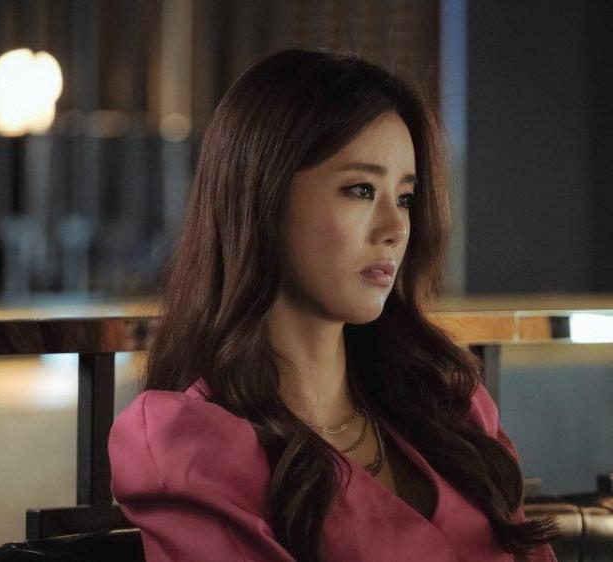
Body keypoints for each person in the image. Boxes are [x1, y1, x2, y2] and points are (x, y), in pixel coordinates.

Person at [108, 48, 560, 562]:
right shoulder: (190, 443)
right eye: (361, 190)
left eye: (405, 198)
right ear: (264, 198)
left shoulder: (451, 403)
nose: (395, 228)